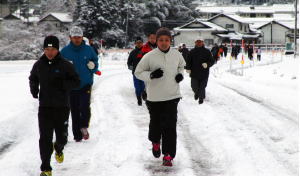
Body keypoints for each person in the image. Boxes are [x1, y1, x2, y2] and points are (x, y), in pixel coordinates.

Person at [29, 36, 80, 176]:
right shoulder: (39, 65)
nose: (49, 52)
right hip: (45, 107)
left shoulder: (66, 65)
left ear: (57, 50)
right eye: (46, 49)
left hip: (62, 107)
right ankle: (46, 168)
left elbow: (76, 81)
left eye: (52, 49)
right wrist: (34, 88)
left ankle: (58, 147)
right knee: (45, 138)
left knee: (62, 138)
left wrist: (63, 85)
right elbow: (33, 78)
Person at [135, 27, 186, 167]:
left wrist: (180, 74)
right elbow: (138, 72)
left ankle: (168, 155)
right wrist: (150, 75)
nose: (164, 43)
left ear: (170, 41)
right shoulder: (149, 56)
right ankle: (155, 142)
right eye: (161, 40)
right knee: (156, 124)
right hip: (154, 98)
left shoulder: (176, 54)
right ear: (156, 41)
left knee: (170, 126)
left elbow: (182, 66)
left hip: (172, 96)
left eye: (167, 40)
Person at [61, 26, 99, 142]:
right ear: (70, 38)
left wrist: (93, 67)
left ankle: (83, 126)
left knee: (84, 107)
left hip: (85, 83)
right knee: (74, 110)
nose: (77, 39)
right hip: (71, 87)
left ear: (82, 37)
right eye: (74, 37)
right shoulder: (65, 52)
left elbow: (95, 63)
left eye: (79, 37)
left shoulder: (88, 50)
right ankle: (77, 135)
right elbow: (60, 68)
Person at [186, 38, 215, 104]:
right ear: (195, 43)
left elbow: (212, 61)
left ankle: (201, 99)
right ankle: (196, 93)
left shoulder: (207, 51)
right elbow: (188, 61)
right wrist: (188, 68)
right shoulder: (191, 52)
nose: (199, 43)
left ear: (202, 43)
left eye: (200, 42)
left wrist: (207, 64)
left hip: (204, 73)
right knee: (194, 86)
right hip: (194, 73)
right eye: (197, 42)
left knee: (202, 87)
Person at [139, 32, 157, 100]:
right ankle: (146, 93)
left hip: (157, 67)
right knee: (148, 83)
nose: (152, 39)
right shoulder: (144, 47)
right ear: (148, 39)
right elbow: (140, 58)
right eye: (151, 38)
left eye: (154, 38)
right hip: (147, 68)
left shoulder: (160, 46)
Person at [127, 37, 145, 106]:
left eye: (140, 42)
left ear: (142, 43)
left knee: (143, 86)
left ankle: (144, 95)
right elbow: (129, 63)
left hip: (144, 72)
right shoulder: (133, 52)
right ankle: (139, 99)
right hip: (136, 73)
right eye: (137, 42)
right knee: (137, 87)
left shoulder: (145, 52)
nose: (139, 44)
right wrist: (132, 68)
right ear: (135, 43)